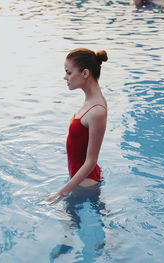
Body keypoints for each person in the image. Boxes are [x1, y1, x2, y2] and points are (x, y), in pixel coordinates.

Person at [44, 48, 108, 205]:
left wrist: (61, 193)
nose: (65, 77)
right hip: (81, 178)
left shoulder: (97, 110)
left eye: (69, 72)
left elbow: (91, 161)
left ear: (85, 73)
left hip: (85, 185)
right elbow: (83, 138)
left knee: (68, 224)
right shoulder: (91, 101)